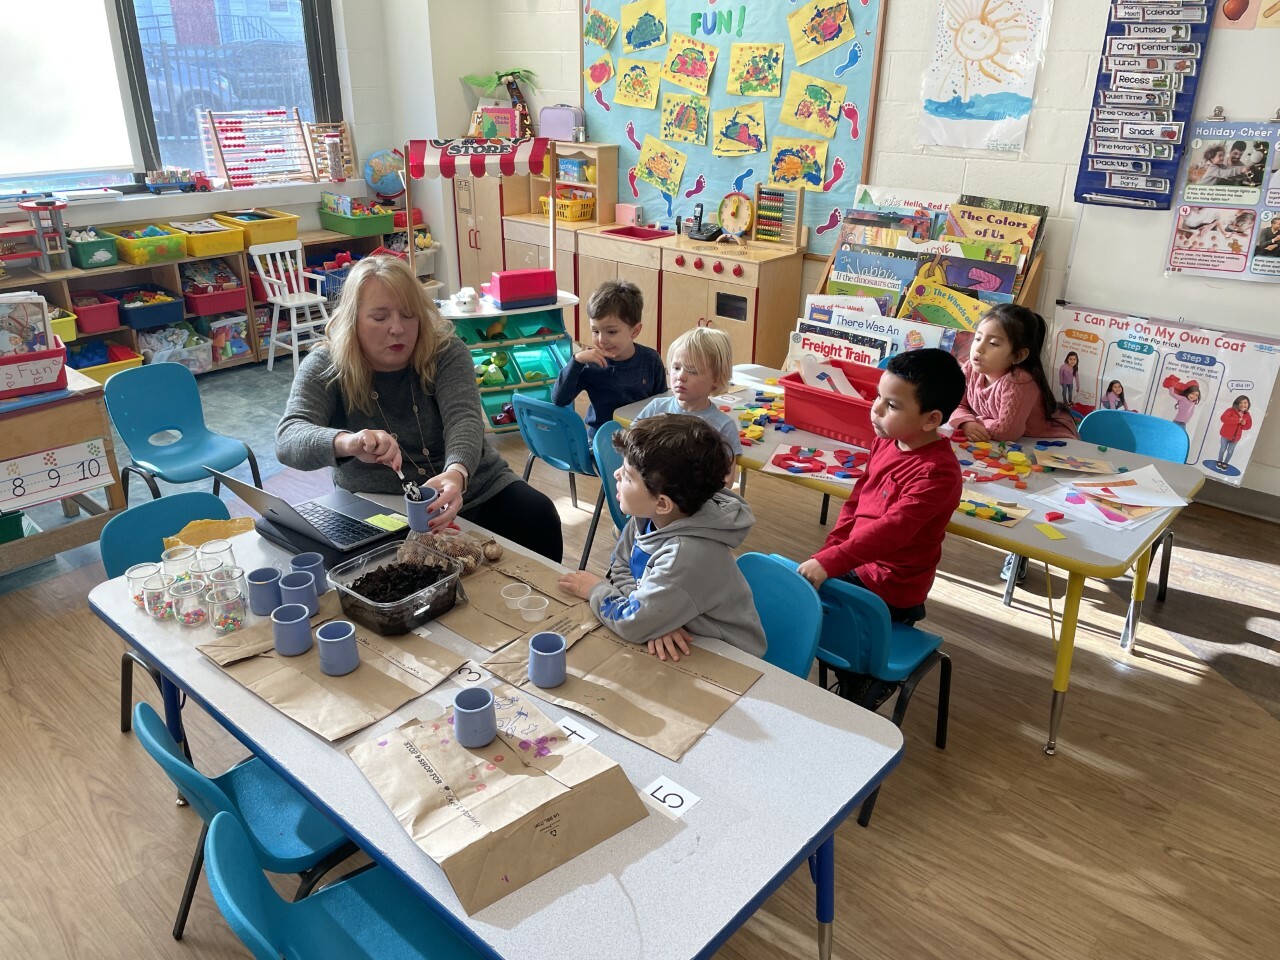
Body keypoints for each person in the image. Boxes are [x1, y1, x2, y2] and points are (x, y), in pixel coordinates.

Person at [275, 255, 563, 561]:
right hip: (380, 505)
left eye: (409, 315)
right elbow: (289, 437)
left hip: (475, 488)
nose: (397, 328)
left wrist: (456, 474)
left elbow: (463, 420)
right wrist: (349, 442)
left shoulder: (447, 352)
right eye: (380, 317)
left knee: (538, 515)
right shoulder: (326, 365)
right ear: (353, 319)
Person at [796, 349, 965, 707]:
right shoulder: (885, 442)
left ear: (931, 419)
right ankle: (852, 674)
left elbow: (893, 530)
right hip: (858, 567)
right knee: (807, 604)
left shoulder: (939, 472)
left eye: (892, 405)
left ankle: (867, 678)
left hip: (892, 583)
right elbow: (856, 502)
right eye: (878, 397)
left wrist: (833, 562)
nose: (875, 409)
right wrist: (829, 553)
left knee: (830, 621)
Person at [557, 415, 765, 661]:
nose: (615, 475)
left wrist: (596, 590)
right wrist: (653, 616)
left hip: (728, 657)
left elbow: (632, 624)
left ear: (663, 503)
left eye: (627, 475)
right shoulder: (646, 516)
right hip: (685, 637)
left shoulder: (685, 555)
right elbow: (620, 566)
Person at [950, 304, 1077, 585]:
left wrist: (974, 421)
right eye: (978, 337)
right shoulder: (969, 368)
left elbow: (1008, 429)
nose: (979, 348)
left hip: (1047, 444)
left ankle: (1020, 551)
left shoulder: (1020, 380)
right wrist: (967, 422)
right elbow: (955, 406)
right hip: (1002, 443)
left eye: (993, 343)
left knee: (1029, 495)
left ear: (1018, 355)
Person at [551, 279, 666, 438]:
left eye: (611, 332)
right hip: (601, 439)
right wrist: (576, 361)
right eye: (595, 331)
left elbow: (662, 402)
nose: (601, 340)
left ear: (635, 331)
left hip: (640, 437)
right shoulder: (591, 364)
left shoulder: (651, 359)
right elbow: (559, 399)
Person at [634, 327, 741, 486]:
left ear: (716, 379)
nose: (681, 377)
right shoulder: (656, 409)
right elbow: (630, 449)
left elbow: (726, 481)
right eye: (676, 368)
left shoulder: (724, 427)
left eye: (693, 371)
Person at [1217, 395, 1252, 470]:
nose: (1243, 405)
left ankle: (1225, 463)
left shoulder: (1247, 415)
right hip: (1225, 435)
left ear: (1248, 404)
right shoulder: (1230, 410)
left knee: (1230, 451)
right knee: (1223, 449)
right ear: (1236, 403)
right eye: (1240, 403)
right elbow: (1223, 418)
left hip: (1236, 438)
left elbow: (1248, 426)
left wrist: (1244, 424)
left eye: (1245, 403)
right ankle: (1219, 460)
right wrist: (1236, 420)